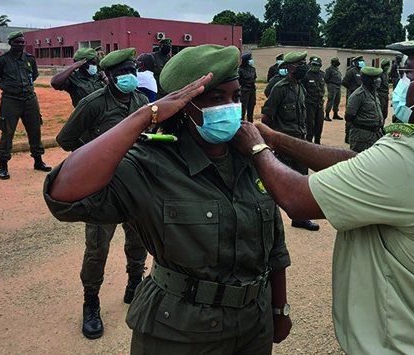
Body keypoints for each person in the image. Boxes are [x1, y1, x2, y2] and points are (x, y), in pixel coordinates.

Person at [232, 10, 414, 354]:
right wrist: (279, 140)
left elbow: (297, 198)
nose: (400, 83)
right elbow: (362, 165)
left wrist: (257, 147)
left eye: (409, 73)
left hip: (406, 345)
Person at [44, 44, 292, 354]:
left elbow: (275, 245)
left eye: (236, 96)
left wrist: (279, 308)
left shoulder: (250, 156)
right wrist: (146, 115)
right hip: (181, 333)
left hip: (253, 326)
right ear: (184, 105)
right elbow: (61, 194)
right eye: (216, 98)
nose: (230, 107)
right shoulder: (151, 163)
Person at [55, 48, 149, 340]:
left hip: (134, 183)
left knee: (139, 238)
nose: (129, 77)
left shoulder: (141, 100)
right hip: (103, 188)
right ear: (108, 76)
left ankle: (135, 283)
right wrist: (94, 155)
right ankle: (91, 301)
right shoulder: (93, 104)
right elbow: (65, 139)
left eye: (132, 71)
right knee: (97, 247)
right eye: (122, 74)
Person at [261, 51, 319, 232]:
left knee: (302, 180)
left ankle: (300, 218)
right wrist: (274, 140)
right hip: (284, 144)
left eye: (305, 63)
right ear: (290, 67)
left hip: (299, 142)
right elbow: (266, 118)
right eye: (300, 64)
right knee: (276, 183)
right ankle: (267, 219)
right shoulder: (279, 88)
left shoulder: (301, 88)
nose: (305, 67)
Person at [0, 31, 52, 179]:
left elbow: (34, 75)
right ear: (10, 43)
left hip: (30, 99)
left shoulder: (30, 59)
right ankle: (3, 165)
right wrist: (8, 86)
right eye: (17, 42)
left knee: (35, 130)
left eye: (22, 42)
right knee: (7, 132)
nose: (21, 45)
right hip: (10, 100)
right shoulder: (2, 60)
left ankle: (38, 161)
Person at [345, 66, 384, 152]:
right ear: (367, 80)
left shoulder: (374, 93)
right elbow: (349, 117)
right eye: (375, 78)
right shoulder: (358, 95)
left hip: (375, 135)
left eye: (378, 77)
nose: (378, 80)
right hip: (362, 137)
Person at [302, 56, 325, 144]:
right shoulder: (306, 75)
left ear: (320, 66)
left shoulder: (322, 75)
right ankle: (309, 142)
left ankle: (317, 142)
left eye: (316, 65)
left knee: (319, 124)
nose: (314, 66)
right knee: (309, 124)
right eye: (313, 64)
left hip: (319, 104)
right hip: (309, 104)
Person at [341, 56, 364, 143]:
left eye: (363, 61)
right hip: (352, 96)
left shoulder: (362, 71)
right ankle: (347, 136)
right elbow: (344, 82)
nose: (362, 62)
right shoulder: (351, 71)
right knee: (350, 116)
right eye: (360, 61)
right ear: (356, 63)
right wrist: (351, 89)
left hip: (361, 97)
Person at [239, 52, 257, 122]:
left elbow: (254, 78)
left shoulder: (252, 69)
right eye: (250, 59)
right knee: (243, 110)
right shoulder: (240, 70)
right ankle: (241, 125)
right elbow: (238, 81)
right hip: (244, 92)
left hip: (252, 91)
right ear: (246, 61)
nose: (251, 60)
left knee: (251, 109)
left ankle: (251, 124)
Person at [324, 57, 343, 121]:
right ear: (333, 63)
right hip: (332, 86)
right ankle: (327, 115)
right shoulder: (329, 70)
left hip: (338, 86)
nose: (338, 62)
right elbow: (326, 79)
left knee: (337, 100)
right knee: (331, 100)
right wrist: (330, 84)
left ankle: (335, 114)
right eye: (336, 61)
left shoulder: (337, 69)